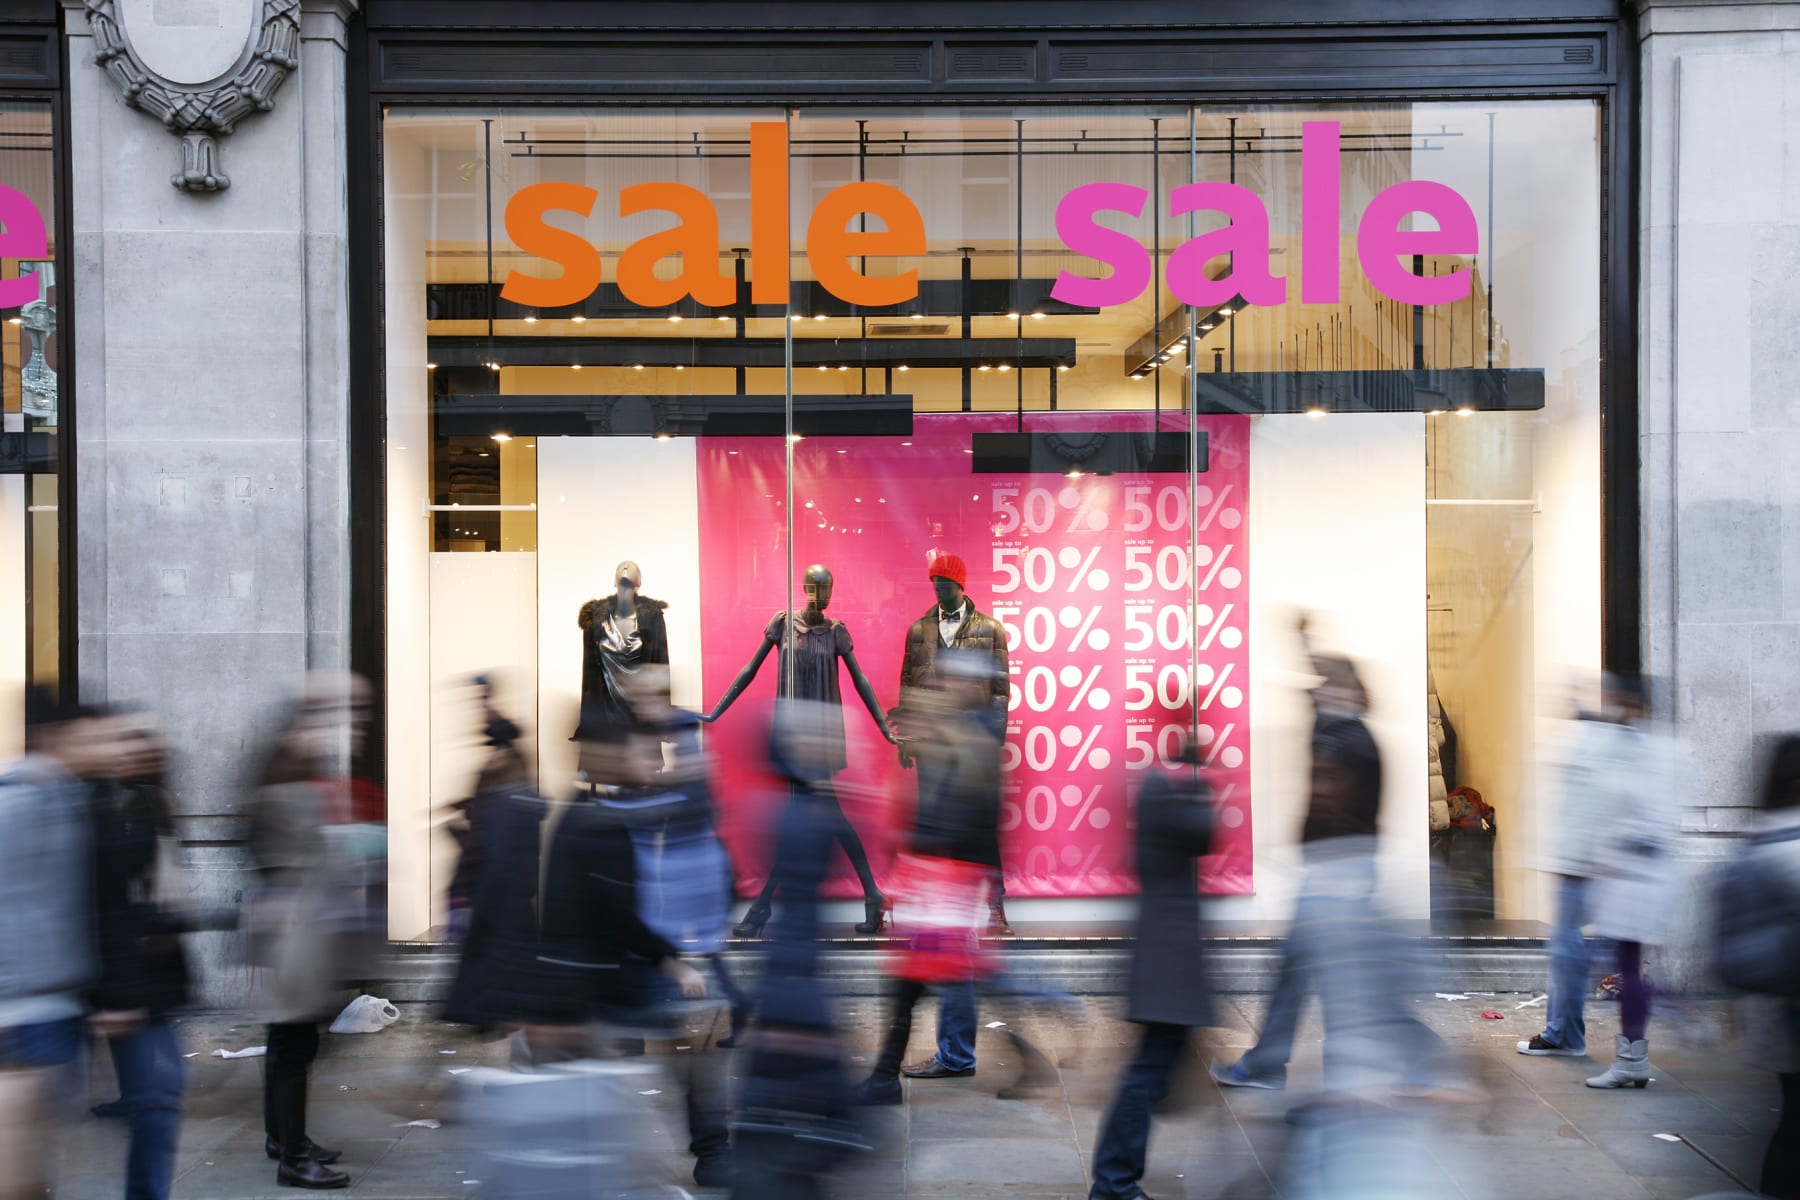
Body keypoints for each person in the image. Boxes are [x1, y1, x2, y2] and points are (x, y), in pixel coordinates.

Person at [1213, 622, 1448, 1098]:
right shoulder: (1336, 733)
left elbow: (1337, 805)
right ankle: (1271, 1064)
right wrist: (1303, 645)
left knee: (1343, 980)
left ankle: (1398, 1061)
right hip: (1325, 870)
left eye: (1331, 686)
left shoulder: (1354, 743)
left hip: (1341, 874)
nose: (1319, 693)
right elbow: (1313, 698)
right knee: (1298, 973)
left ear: (1351, 694)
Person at [245, 671, 383, 1190]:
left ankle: (285, 1140)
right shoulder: (290, 773)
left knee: (288, 1041)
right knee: (294, 1045)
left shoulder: (287, 765)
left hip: (293, 928)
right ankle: (292, 1158)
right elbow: (307, 852)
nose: (349, 726)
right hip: (297, 932)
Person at [89, 710, 232, 1200]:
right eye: (130, 739)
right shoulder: (106, 810)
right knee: (158, 1099)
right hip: (126, 981)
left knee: (161, 1098)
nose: (145, 748)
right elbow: (112, 908)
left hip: (155, 978)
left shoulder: (150, 804)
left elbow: (161, 890)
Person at [1514, 673, 1679, 1089]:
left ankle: (1662, 1027)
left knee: (1607, 959)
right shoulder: (1632, 744)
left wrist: (1588, 860)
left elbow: (1621, 812)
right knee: (1615, 959)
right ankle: (1628, 1055)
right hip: (1617, 871)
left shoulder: (1628, 748)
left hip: (1618, 874)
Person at [0, 696, 118, 1197]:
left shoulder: (67, 796)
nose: (100, 745)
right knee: (20, 1158)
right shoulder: (19, 801)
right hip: (24, 1007)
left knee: (41, 1153)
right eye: (89, 735)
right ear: (58, 736)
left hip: (58, 1000)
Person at [1088, 743, 1214, 1200]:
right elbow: (1206, 835)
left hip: (1167, 941)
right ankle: (1114, 1180)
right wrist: (1202, 787)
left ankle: (1116, 1175)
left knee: (1157, 1063)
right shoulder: (1167, 787)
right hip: (1168, 946)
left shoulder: (1160, 785)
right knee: (1147, 1069)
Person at [1712, 736, 1800, 1198]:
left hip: (1772, 1015)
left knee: (1791, 1123)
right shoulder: (1789, 848)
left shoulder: (1760, 842)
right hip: (1786, 1013)